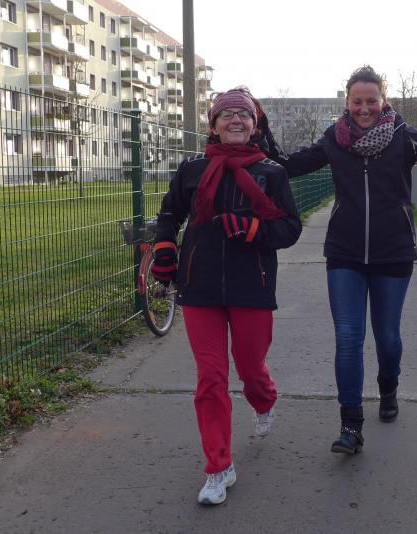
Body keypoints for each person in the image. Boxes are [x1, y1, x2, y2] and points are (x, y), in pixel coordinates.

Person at [264, 66, 417, 455]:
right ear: (347, 102)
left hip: (393, 252)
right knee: (348, 337)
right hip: (344, 252)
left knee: (387, 336)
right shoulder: (334, 139)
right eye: (357, 101)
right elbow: (288, 165)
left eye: (372, 101)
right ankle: (351, 425)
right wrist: (261, 129)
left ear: (384, 100)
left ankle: (388, 385)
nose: (364, 108)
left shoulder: (403, 137)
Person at [152, 88, 302, 504]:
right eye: (227, 115)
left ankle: (264, 400)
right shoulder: (192, 169)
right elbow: (170, 213)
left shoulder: (271, 172)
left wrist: (254, 229)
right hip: (199, 285)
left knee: (250, 369)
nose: (236, 120)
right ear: (214, 124)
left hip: (252, 284)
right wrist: (164, 248)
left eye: (244, 115)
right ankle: (219, 467)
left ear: (254, 125)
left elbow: (290, 228)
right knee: (211, 379)